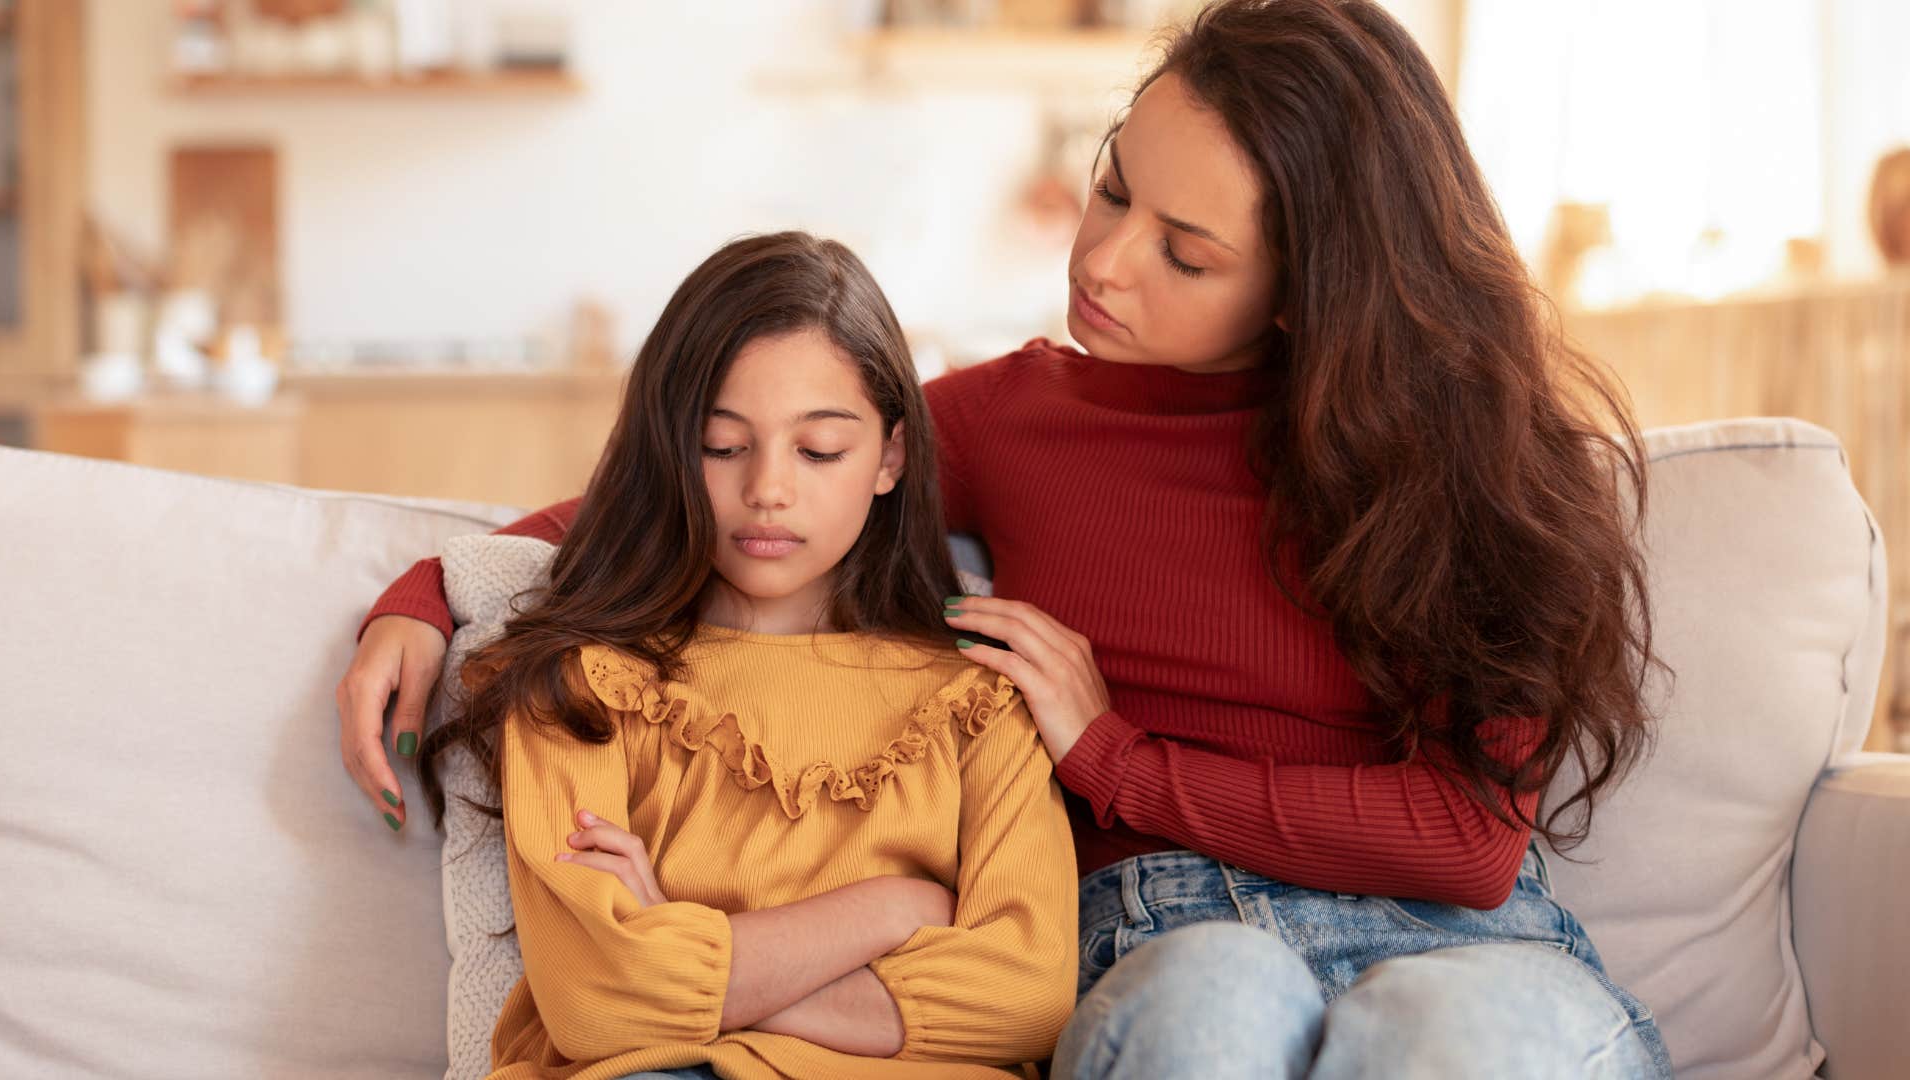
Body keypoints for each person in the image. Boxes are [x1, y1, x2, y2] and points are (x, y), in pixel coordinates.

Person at [340, 2, 1673, 1075]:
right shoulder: (1017, 419)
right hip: (1158, 937)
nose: (1104, 260)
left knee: (1446, 1047)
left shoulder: (1479, 468)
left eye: (1185, 254)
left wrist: (1118, 761)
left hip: (1453, 945)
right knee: (1213, 1013)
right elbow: (743, 473)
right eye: (1112, 192)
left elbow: (1467, 840)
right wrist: (430, 590)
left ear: (1311, 287)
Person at [426, 231, 1075, 1079]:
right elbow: (598, 1001)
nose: (768, 488)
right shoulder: (581, 690)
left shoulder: (981, 700)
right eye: (723, 445)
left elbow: (1026, 998)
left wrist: (694, 950)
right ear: (671, 448)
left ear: (891, 456)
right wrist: (892, 909)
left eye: (819, 450)